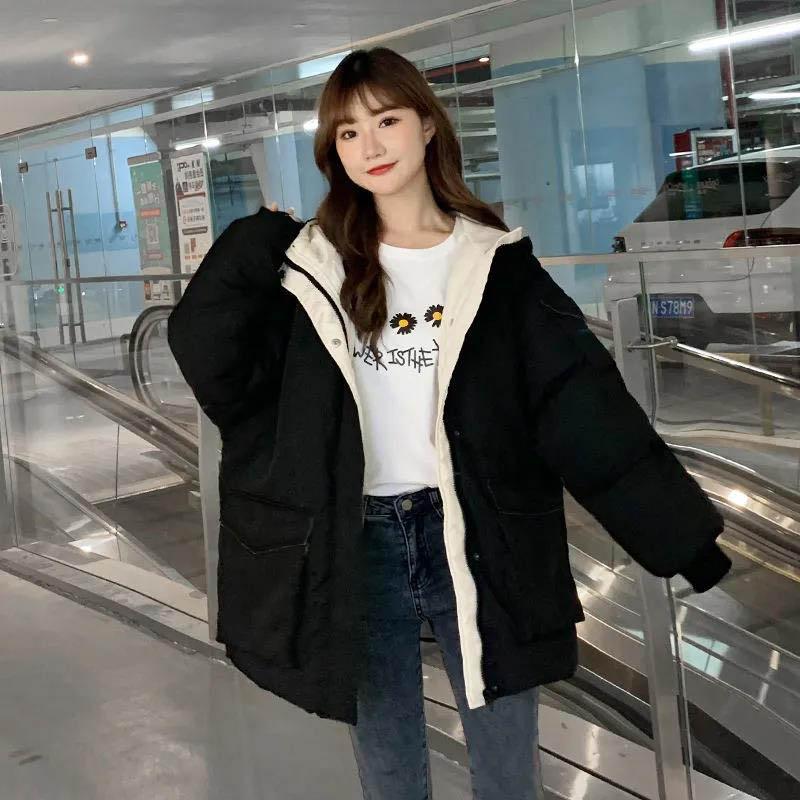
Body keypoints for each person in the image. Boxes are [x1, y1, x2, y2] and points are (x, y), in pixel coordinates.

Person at [167, 47, 731, 800]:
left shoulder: (493, 264)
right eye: (348, 132)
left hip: (477, 533)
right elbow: (215, 365)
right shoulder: (311, 266)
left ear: (427, 126)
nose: (370, 146)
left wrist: (682, 536)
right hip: (356, 540)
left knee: (507, 769)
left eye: (386, 121)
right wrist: (245, 250)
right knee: (390, 767)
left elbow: (582, 405)